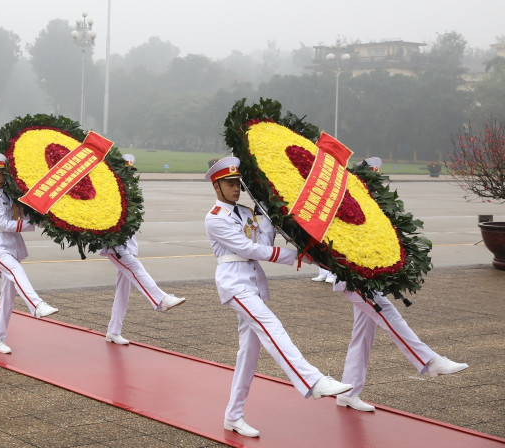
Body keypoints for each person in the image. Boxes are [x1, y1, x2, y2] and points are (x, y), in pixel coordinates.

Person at [204, 157, 351, 438]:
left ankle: (233, 416)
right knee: (271, 326)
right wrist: (302, 258)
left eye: (238, 184)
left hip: (252, 285)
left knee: (248, 355)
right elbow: (251, 250)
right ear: (217, 186)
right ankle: (312, 380)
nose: (236, 189)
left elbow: (264, 243)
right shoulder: (214, 219)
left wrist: (268, 216)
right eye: (230, 184)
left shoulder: (246, 213)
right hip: (235, 285)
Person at [333, 157, 467, 412]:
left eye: (376, 179)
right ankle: (429, 361)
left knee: (362, 337)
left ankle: (349, 391)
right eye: (370, 178)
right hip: (354, 279)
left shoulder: (372, 206)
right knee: (388, 313)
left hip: (367, 278)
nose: (375, 184)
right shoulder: (348, 205)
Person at [99, 154, 185, 345]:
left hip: (127, 244)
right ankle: (161, 299)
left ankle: (113, 331)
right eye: (125, 171)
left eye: (131, 171)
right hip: (114, 245)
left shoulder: (129, 191)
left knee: (123, 290)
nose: (129, 175)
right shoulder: (108, 190)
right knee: (137, 269)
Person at [0, 152, 58, 354]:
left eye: (1, 173)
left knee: (7, 297)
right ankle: (37, 305)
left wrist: (45, 219)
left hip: (13, 247)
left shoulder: (11, 194)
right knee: (17, 273)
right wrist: (32, 224)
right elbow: (4, 224)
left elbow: (23, 213)